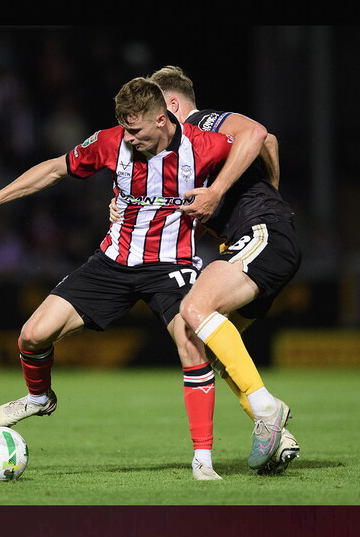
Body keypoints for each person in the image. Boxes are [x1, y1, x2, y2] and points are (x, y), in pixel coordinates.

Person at [0, 77, 243, 480]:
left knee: (191, 344)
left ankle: (203, 460)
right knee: (32, 335)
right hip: (112, 263)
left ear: (162, 119)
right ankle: (39, 397)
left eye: (136, 129)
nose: (128, 137)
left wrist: (230, 195)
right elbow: (54, 170)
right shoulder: (112, 142)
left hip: (171, 266)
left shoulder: (203, 146)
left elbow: (258, 140)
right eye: (124, 128)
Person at [110, 66, 302, 474]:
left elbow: (261, 134)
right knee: (209, 347)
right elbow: (271, 144)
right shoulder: (178, 157)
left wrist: (233, 193)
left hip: (262, 233)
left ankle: (268, 410)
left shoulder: (200, 123)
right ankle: (277, 437)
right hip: (253, 241)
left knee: (194, 309)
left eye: (156, 111)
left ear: (172, 106)